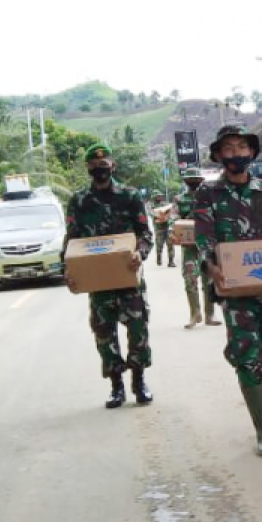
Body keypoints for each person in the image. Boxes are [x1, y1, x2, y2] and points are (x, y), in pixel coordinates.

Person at [194, 125, 262, 457]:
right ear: (219, 155)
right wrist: (213, 267)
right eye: (229, 148)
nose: (236, 153)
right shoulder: (208, 194)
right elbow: (204, 239)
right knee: (248, 357)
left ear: (251, 153)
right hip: (235, 294)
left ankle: (260, 394)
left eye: (242, 147)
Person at [63, 143, 154, 408]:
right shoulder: (79, 201)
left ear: (112, 166)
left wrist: (141, 253)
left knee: (138, 330)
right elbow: (71, 240)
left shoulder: (130, 196)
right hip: (98, 280)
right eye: (94, 167)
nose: (99, 171)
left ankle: (139, 380)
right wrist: (67, 270)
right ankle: (116, 385)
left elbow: (144, 234)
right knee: (104, 334)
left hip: (128, 276)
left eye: (104, 166)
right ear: (88, 169)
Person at [174, 167, 220, 330]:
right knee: (190, 280)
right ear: (186, 182)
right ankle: (195, 313)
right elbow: (174, 220)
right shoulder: (180, 199)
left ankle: (210, 314)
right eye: (190, 180)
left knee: (208, 280)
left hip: (207, 247)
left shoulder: (210, 198)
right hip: (189, 249)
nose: (193, 183)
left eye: (196, 180)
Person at [151, 194, 176, 267]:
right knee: (159, 245)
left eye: (160, 196)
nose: (160, 197)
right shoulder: (151, 205)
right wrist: (159, 214)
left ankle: (171, 261)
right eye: (158, 196)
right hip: (159, 229)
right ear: (154, 197)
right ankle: (159, 259)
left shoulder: (165, 204)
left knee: (170, 244)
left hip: (168, 227)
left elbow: (171, 212)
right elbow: (153, 214)